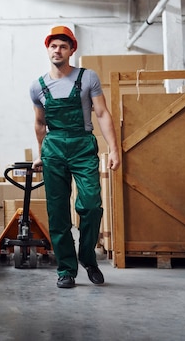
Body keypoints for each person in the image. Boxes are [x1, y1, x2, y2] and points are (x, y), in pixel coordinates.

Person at [30, 26, 120, 288]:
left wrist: (114, 150)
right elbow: (39, 123)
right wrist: (41, 154)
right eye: (53, 46)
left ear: (71, 51)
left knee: (91, 204)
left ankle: (88, 256)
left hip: (82, 144)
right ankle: (66, 269)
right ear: (48, 49)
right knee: (58, 213)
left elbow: (102, 114)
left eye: (63, 46)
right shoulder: (38, 86)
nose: (58, 50)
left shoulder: (87, 77)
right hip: (54, 147)